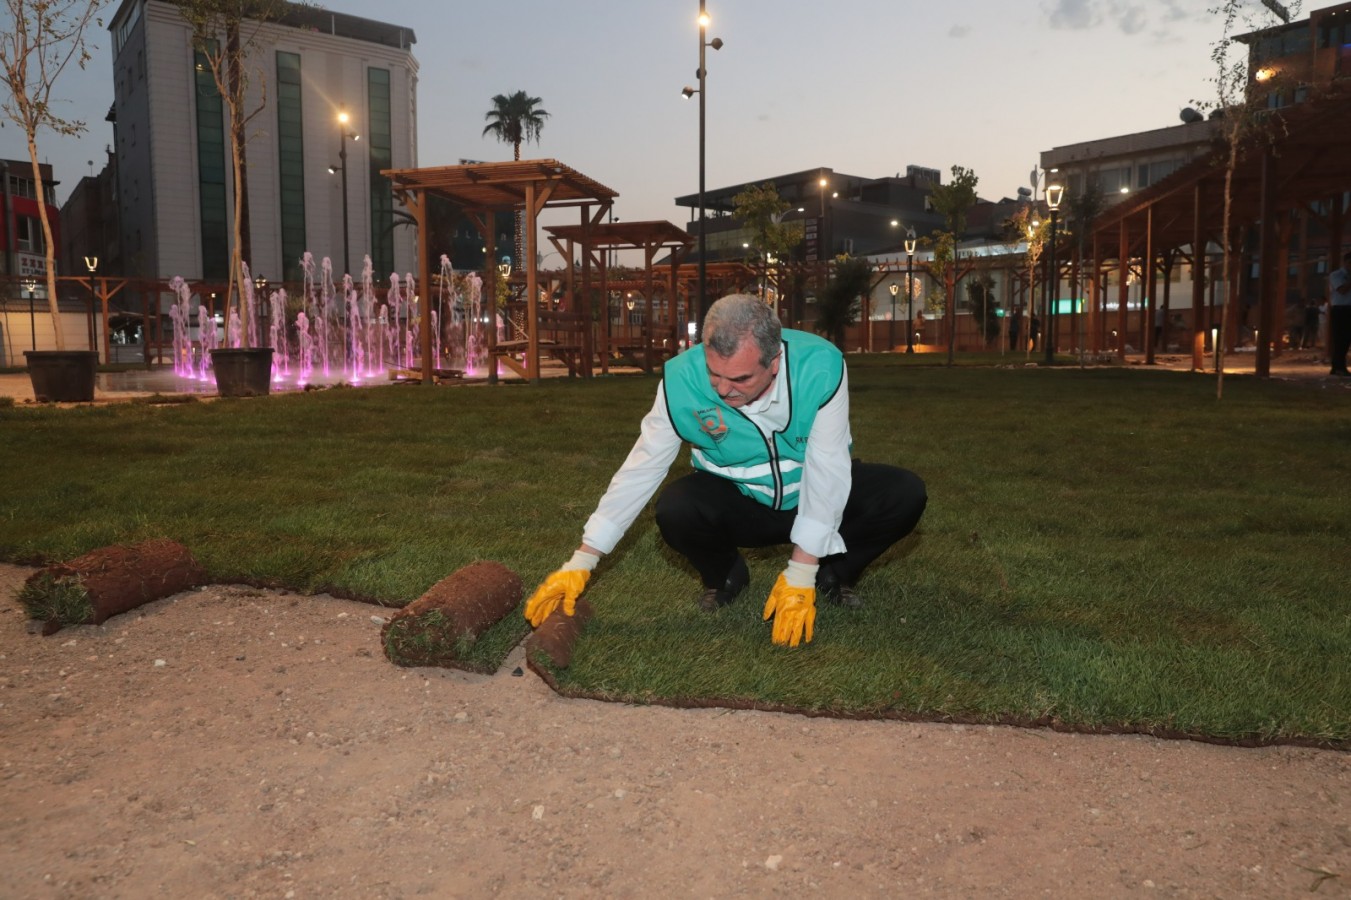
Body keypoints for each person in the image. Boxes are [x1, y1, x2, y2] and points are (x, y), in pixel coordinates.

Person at [523, 294, 928, 648]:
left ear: (775, 361)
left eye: (739, 378)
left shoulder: (820, 367)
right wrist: (582, 560)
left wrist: (801, 572)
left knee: (903, 493)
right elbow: (642, 467)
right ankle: (727, 576)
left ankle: (833, 573)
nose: (721, 389)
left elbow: (828, 468)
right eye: (714, 373)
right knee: (677, 507)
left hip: (810, 495)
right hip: (741, 504)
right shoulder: (681, 379)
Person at [1329, 251, 1351, 376]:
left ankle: (1339, 366)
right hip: (1341, 310)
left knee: (1347, 339)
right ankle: (1338, 367)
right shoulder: (1336, 275)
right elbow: (1342, 290)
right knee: (1341, 339)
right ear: (1345, 262)